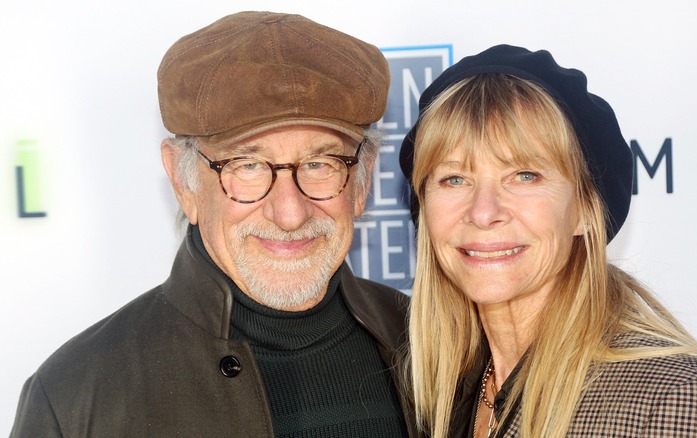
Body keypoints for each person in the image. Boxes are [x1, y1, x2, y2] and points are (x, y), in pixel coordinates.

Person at [11, 11, 415, 437]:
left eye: (320, 163)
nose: (290, 212)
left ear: (363, 178)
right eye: (248, 165)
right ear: (183, 182)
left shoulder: (432, 351)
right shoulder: (74, 398)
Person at [399, 44, 697, 437]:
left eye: (525, 175)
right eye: (454, 179)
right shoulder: (429, 391)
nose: (483, 211)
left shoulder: (673, 400)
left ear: (583, 209)